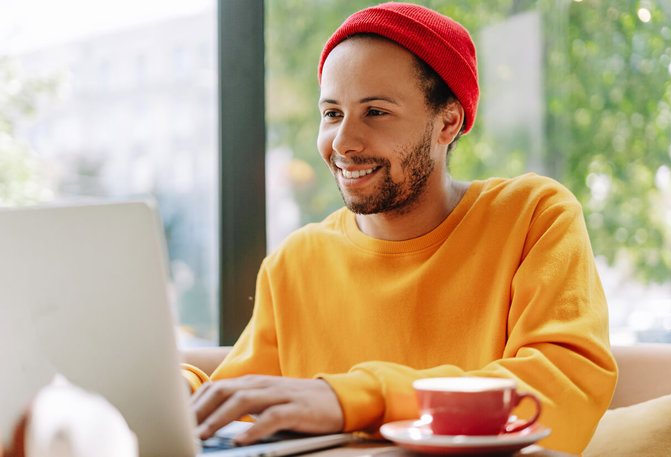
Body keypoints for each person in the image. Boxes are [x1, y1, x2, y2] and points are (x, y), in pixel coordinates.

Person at [184, 2, 618, 454]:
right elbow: (237, 399)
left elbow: (561, 390)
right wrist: (176, 388)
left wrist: (356, 399)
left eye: (375, 111)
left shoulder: (533, 217)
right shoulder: (296, 261)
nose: (344, 143)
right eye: (332, 113)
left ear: (447, 122)